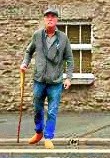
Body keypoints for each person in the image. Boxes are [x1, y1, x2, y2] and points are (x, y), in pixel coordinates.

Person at [20, 8, 73, 149]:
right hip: (39, 80)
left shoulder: (63, 38)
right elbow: (28, 51)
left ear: (56, 20)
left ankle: (48, 137)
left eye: (53, 17)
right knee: (37, 108)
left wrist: (68, 78)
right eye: (47, 17)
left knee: (52, 110)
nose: (50, 19)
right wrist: (25, 63)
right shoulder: (37, 35)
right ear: (44, 19)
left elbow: (69, 59)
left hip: (55, 82)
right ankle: (38, 132)